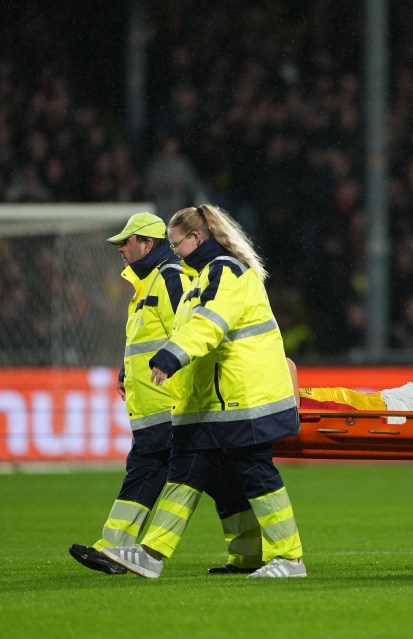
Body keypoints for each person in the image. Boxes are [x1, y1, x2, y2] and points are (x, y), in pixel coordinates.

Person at [101, 204, 305, 579]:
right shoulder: (204, 275)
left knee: (255, 472)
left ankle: (290, 559)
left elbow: (208, 326)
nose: (173, 250)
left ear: (196, 237)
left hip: (244, 396)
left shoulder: (225, 271)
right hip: (216, 401)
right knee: (185, 470)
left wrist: (170, 357)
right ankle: (151, 554)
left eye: (177, 243)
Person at [68, 213, 190, 575]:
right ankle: (114, 548)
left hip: (170, 404)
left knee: (196, 473)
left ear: (147, 244)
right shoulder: (148, 284)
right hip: (154, 406)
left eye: (126, 242)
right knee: (151, 468)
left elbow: (189, 332)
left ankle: (119, 548)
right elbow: (151, 341)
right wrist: (127, 371)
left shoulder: (170, 279)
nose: (120, 249)